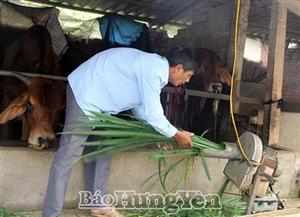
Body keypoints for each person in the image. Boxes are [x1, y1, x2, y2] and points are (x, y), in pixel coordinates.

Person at [43, 47, 197, 217]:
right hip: (85, 95)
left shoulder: (154, 70)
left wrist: (160, 134)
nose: (187, 81)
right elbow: (154, 114)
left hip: (102, 105)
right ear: (178, 68)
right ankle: (51, 213)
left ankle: (98, 204)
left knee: (103, 149)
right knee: (68, 156)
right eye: (188, 75)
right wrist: (175, 134)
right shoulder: (154, 70)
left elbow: (142, 109)